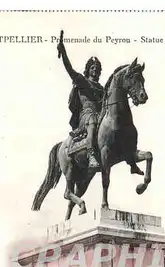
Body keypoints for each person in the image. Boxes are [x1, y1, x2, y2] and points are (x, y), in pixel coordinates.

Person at [57, 38, 104, 170]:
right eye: (93, 68)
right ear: (88, 69)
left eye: (97, 69)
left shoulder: (101, 88)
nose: (95, 70)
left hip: (99, 114)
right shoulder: (82, 81)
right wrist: (64, 53)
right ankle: (91, 155)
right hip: (86, 115)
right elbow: (70, 69)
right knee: (92, 119)